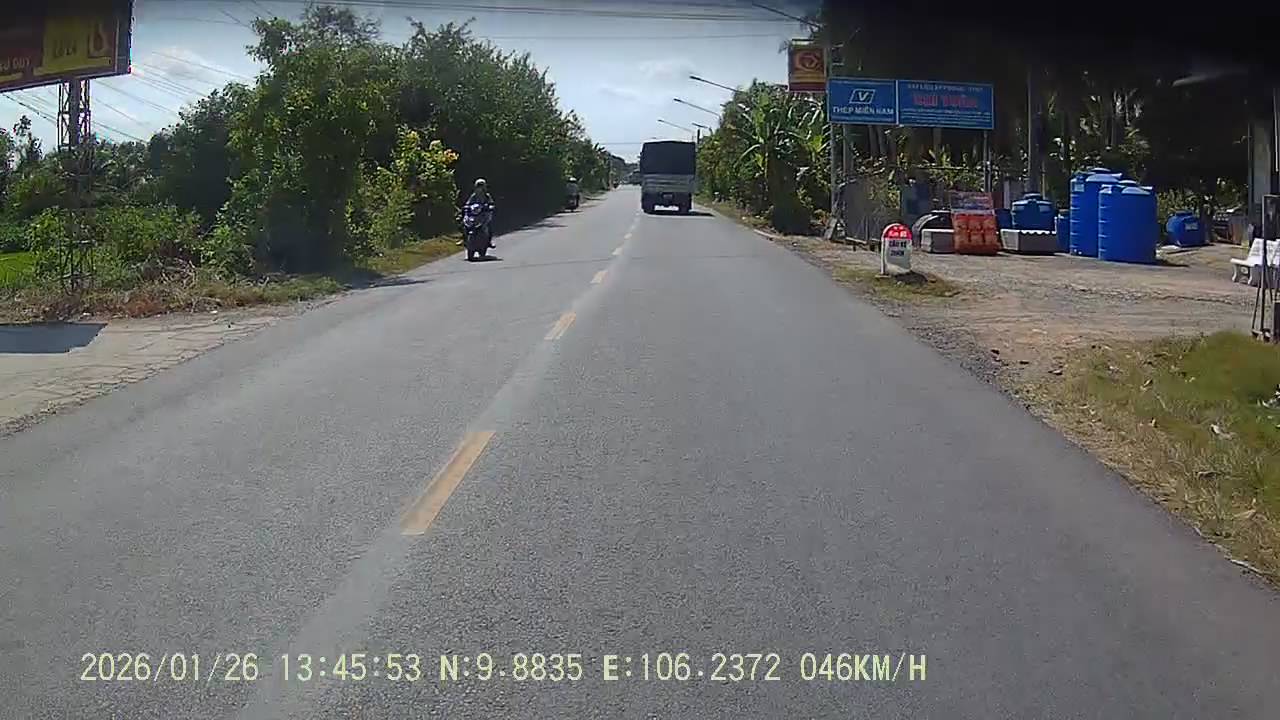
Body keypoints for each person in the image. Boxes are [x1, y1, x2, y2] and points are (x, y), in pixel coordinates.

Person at [459, 178, 496, 248]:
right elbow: (468, 203)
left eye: (481, 186)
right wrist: (466, 207)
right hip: (474, 214)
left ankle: (489, 241)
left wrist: (490, 206)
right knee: (464, 223)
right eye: (478, 186)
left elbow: (491, 203)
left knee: (489, 224)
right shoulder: (473, 196)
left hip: (484, 213)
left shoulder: (487, 196)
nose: (480, 188)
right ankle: (464, 239)